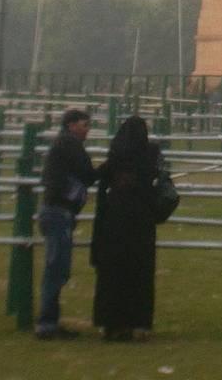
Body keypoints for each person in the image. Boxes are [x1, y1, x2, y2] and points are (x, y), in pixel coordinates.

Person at [91, 114, 165, 342]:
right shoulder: (150, 154)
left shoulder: (116, 156)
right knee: (139, 274)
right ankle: (138, 323)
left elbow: (99, 178)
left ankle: (110, 324)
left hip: (114, 221)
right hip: (141, 223)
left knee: (113, 274)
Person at [36, 108, 96, 340]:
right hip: (59, 213)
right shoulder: (70, 144)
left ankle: (49, 321)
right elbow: (88, 174)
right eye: (84, 125)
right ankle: (47, 324)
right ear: (71, 125)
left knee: (57, 268)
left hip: (55, 211)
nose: (87, 130)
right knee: (56, 269)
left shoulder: (62, 144)